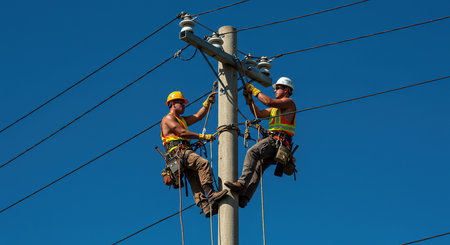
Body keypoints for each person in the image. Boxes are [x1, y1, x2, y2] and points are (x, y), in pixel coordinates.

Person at [224, 77, 297, 208]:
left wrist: (254, 90)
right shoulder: (275, 109)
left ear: (286, 90)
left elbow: (268, 102)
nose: (275, 90)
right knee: (257, 168)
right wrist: (249, 99)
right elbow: (258, 114)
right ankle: (245, 198)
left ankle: (241, 184)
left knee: (253, 152)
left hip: (277, 141)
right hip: (277, 144)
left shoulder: (289, 103)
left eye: (278, 88)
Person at [160, 91, 228, 217]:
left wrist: (207, 104)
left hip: (180, 155)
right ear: (173, 104)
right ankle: (211, 195)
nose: (184, 105)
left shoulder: (182, 120)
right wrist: (202, 136)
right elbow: (182, 132)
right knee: (202, 164)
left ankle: (205, 206)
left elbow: (198, 116)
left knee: (194, 178)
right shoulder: (168, 118)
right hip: (179, 152)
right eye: (182, 103)